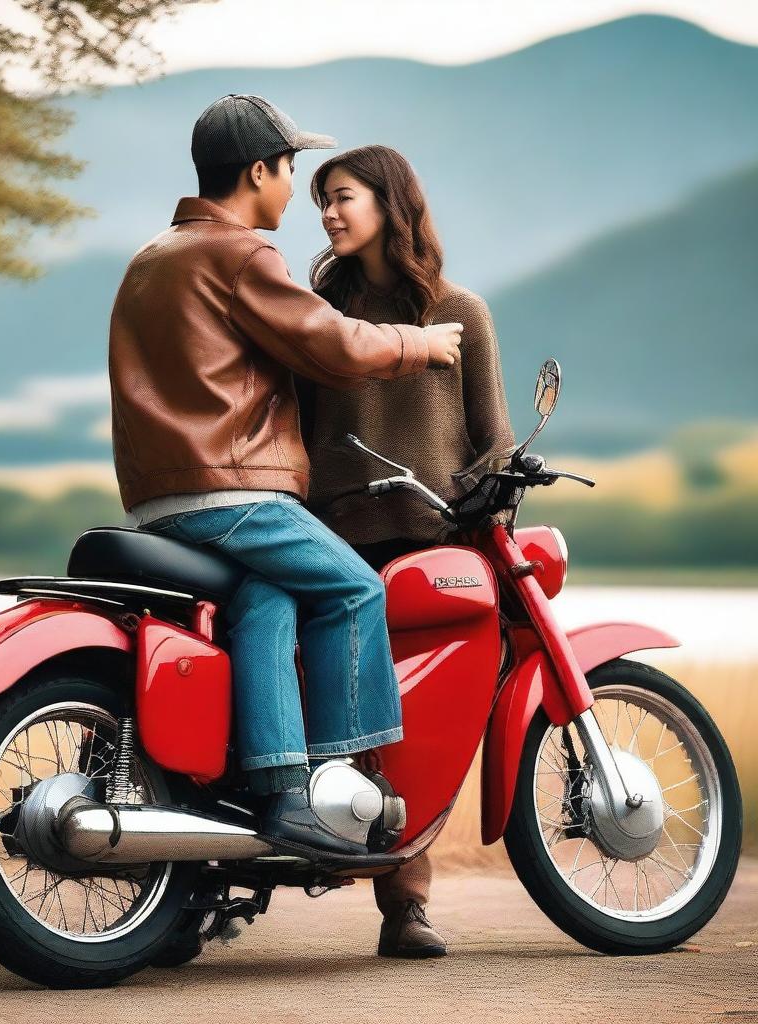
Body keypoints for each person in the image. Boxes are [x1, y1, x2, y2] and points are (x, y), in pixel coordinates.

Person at [108, 96, 464, 857]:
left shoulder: (152, 257)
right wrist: (418, 346)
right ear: (259, 170)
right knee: (354, 588)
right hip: (231, 492)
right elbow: (329, 341)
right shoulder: (236, 254)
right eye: (291, 168)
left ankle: (281, 792)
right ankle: (340, 783)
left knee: (267, 600)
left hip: (158, 499)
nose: (295, 188)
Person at [296, 145, 516, 955]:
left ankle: (406, 908)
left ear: (390, 202)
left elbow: (492, 439)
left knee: (421, 725)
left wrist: (486, 504)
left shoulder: (461, 309)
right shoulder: (319, 313)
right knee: (347, 713)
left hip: (436, 549)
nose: (326, 213)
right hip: (335, 547)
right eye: (320, 200)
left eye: (342, 196)